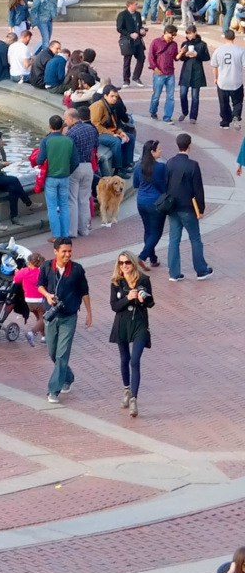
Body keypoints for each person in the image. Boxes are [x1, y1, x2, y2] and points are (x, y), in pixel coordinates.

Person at [42, 236, 91, 404]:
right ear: (56, 251)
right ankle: (68, 376)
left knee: (62, 354)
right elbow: (40, 285)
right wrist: (47, 295)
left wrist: (89, 313)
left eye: (70, 251)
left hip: (69, 317)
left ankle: (53, 390)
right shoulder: (47, 266)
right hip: (51, 316)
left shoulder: (77, 270)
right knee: (52, 352)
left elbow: (85, 291)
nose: (67, 254)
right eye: (64, 251)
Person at [163, 132, 212, 280]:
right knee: (195, 239)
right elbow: (198, 189)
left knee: (173, 240)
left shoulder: (170, 163)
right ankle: (201, 269)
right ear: (189, 146)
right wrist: (201, 209)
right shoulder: (193, 165)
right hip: (189, 208)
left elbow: (166, 185)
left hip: (173, 207)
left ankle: (174, 273)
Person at [110, 252, 153, 417]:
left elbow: (151, 302)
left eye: (127, 262)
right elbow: (114, 306)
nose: (124, 266)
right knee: (124, 359)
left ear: (133, 263)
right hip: (122, 323)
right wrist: (128, 297)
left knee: (135, 360)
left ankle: (134, 398)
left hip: (139, 324)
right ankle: (126, 389)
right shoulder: (116, 282)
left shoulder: (143, 280)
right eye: (121, 263)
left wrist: (144, 299)